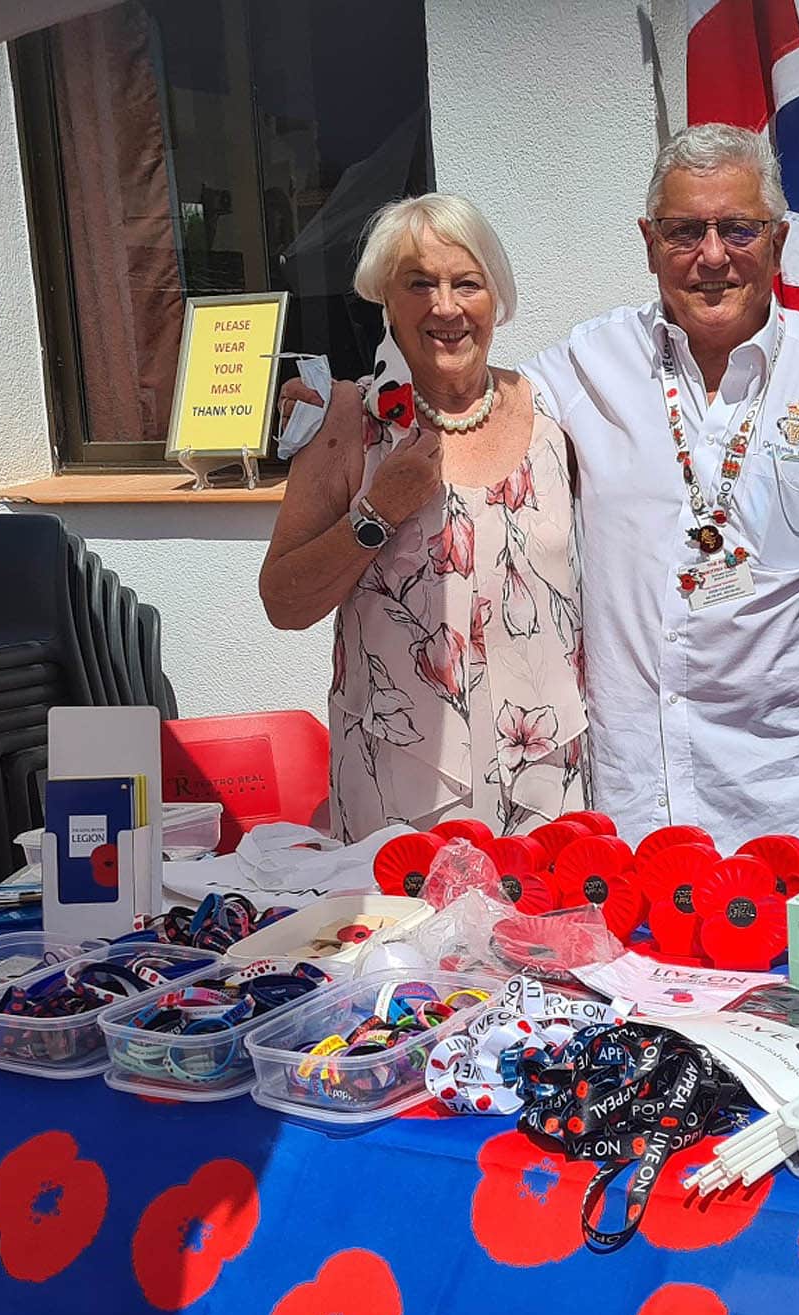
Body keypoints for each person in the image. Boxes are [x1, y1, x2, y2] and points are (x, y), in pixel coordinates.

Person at [522, 125, 799, 867]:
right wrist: (347, 400)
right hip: (636, 815)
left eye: (738, 228)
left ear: (776, 242)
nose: (712, 256)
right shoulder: (591, 359)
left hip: (798, 810)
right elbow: (473, 405)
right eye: (685, 231)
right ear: (649, 243)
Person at [259, 193, 585, 839]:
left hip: (547, 773)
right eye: (419, 284)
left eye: (467, 283)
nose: (445, 306)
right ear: (385, 296)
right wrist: (379, 510)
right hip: (401, 779)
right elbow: (284, 603)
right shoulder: (349, 420)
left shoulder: (552, 418)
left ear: (496, 296)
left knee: (543, 939)